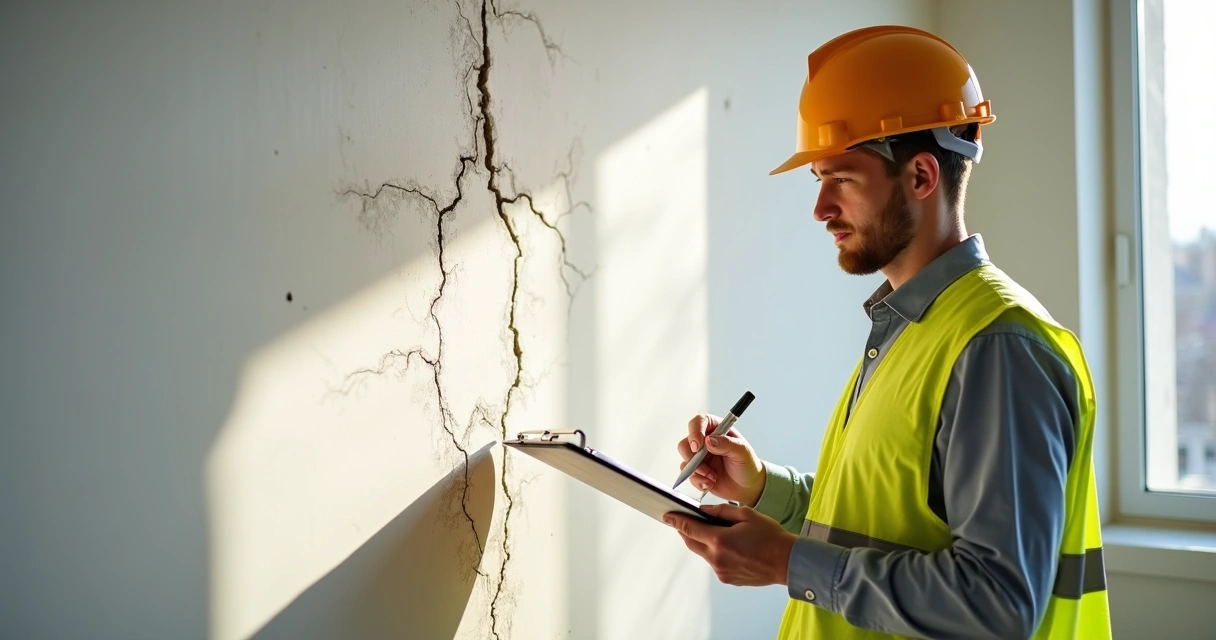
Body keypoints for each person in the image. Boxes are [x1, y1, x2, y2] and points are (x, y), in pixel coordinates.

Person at [662, 25, 1112, 640]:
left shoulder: (997, 348)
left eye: (841, 179)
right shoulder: (911, 328)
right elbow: (882, 526)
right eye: (818, 180)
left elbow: (998, 604)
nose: (820, 209)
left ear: (921, 176)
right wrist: (762, 487)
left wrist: (788, 563)